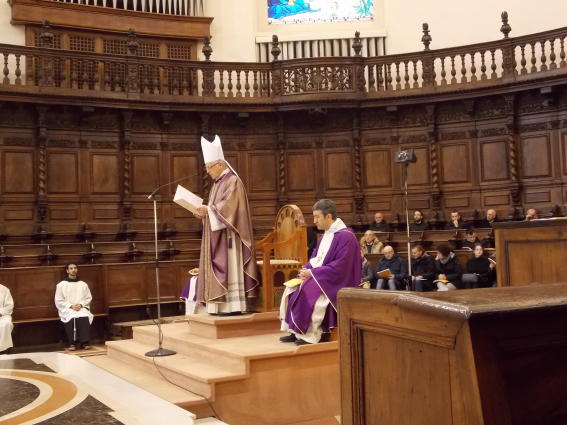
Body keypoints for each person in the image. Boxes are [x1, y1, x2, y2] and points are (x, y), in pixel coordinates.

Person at [279, 199, 361, 345]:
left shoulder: (346, 237)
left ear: (328, 216)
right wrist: (306, 269)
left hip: (336, 280)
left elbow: (342, 266)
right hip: (321, 276)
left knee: (306, 291)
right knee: (291, 288)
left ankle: (309, 335)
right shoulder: (325, 235)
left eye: (317, 217)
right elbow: (316, 258)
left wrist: (313, 274)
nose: (314, 221)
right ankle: (294, 330)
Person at [194, 135, 259, 315]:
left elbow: (231, 208)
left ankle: (232, 306)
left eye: (209, 167)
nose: (207, 171)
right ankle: (218, 305)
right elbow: (215, 208)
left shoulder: (233, 181)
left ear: (220, 164)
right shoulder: (218, 183)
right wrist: (204, 213)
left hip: (230, 236)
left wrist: (210, 211)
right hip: (218, 234)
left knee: (229, 269)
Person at [55, 263, 93, 350]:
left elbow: (88, 298)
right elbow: (58, 300)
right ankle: (71, 343)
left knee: (84, 315)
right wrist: (71, 306)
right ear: (67, 271)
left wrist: (81, 305)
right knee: (72, 317)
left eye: (75, 268)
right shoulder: (61, 285)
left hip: (81, 307)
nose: (73, 270)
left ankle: (85, 342)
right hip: (68, 308)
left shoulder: (83, 284)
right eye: (71, 268)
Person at [0, 283, 14, 353]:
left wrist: (0, 312)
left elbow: (9, 306)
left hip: (2, 315)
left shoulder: (4, 289)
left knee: (6, 323)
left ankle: (3, 349)